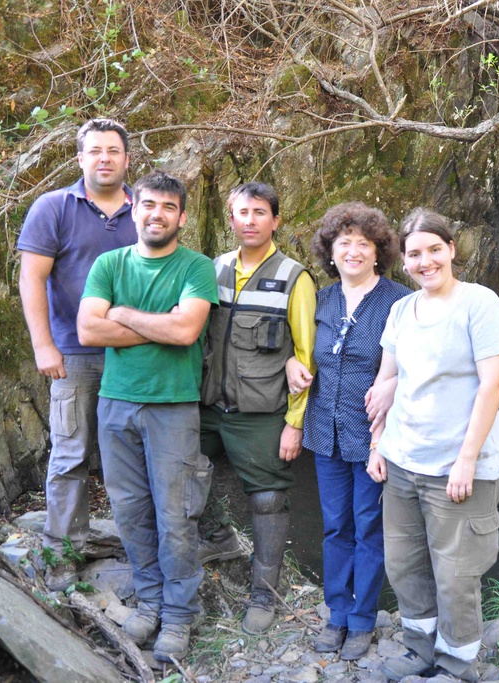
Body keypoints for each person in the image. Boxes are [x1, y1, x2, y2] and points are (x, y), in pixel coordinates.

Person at [367, 208, 499, 682]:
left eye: (435, 249)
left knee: (455, 574)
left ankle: (456, 660)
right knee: (404, 563)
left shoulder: (481, 305)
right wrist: (377, 444)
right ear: (404, 261)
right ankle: (419, 648)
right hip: (403, 460)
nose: (425, 261)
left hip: (459, 466)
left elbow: (492, 387)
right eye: (415, 254)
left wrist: (466, 461)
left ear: (452, 249)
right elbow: (387, 380)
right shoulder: (400, 311)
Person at [77, 172, 218, 662]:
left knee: (176, 516)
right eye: (149, 204)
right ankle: (150, 601)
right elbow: (89, 330)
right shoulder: (109, 263)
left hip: (173, 406)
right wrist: (157, 324)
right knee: (131, 511)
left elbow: (185, 332)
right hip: (116, 403)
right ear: (134, 208)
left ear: (181, 216)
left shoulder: (196, 267)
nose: (157, 214)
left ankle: (180, 615)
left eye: (168, 207)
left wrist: (124, 314)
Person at [286, 203, 410, 660]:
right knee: (335, 526)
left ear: (379, 252)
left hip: (374, 436)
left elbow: (419, 363)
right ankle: (336, 612)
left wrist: (392, 383)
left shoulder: (399, 301)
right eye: (344, 243)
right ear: (330, 253)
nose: (354, 251)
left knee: (369, 528)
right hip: (325, 433)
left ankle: (362, 619)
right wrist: (289, 366)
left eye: (364, 243)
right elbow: (298, 348)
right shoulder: (322, 300)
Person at [17, 118, 136, 591]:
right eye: (95, 151)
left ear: (127, 159)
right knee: (70, 452)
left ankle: (135, 544)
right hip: (73, 352)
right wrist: (43, 345)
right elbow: (32, 279)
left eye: (113, 150)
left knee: (129, 453)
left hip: (133, 352)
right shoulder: (54, 207)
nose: (104, 158)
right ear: (80, 158)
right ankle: (63, 549)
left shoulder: (143, 209)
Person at [198, 182, 317, 634]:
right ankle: (218, 537)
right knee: (186, 467)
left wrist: (294, 424)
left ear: (275, 220)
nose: (249, 220)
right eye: (241, 212)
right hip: (210, 403)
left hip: (262, 411)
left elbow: (305, 356)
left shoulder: (294, 277)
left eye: (259, 212)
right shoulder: (214, 269)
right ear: (230, 218)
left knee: (267, 499)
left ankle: (264, 595)